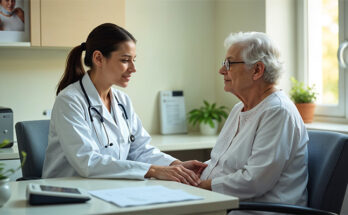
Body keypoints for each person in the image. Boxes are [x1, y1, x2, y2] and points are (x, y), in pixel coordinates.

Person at [42, 23, 207, 186]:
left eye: (134, 60)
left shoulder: (122, 101)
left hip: (108, 187)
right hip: (69, 192)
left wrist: (175, 165)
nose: (133, 68)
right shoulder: (70, 100)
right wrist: (154, 170)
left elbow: (140, 149)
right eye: (125, 60)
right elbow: (87, 162)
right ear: (98, 58)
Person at [198, 32, 308, 213]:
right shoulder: (239, 108)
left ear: (257, 70)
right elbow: (225, 162)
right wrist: (199, 171)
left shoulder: (277, 111)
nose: (221, 70)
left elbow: (255, 180)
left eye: (229, 64)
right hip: (230, 205)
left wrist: (204, 185)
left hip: (258, 210)